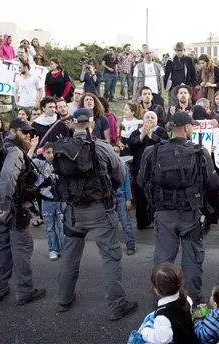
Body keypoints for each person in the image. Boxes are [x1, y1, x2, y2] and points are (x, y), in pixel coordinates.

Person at [55, 108, 138, 320]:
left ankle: (64, 299)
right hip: (100, 210)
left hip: (73, 211)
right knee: (110, 257)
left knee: (70, 256)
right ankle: (116, 305)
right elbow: (119, 174)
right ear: (92, 124)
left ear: (73, 124)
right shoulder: (101, 146)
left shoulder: (62, 148)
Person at [138, 112, 219, 303]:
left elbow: (141, 181)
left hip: (164, 213)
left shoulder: (152, 151)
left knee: (163, 260)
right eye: (192, 126)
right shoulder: (200, 151)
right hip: (191, 214)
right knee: (192, 260)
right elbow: (213, 182)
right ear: (186, 128)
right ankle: (195, 305)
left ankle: (162, 303)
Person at [0, 118, 46, 305]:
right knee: (21, 247)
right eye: (24, 132)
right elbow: (7, 177)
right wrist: (5, 205)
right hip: (12, 207)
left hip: (0, 205)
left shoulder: (3, 148)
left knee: (2, 246)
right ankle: (25, 291)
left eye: (29, 132)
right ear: (12, 132)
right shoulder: (13, 151)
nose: (28, 135)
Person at [127, 262, 199, 344]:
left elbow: (162, 339)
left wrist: (145, 332)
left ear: (157, 290)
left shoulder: (163, 316)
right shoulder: (187, 299)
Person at [127, 111, 168, 230]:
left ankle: (157, 220)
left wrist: (151, 135)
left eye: (152, 117)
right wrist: (141, 136)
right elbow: (130, 146)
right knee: (140, 194)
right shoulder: (136, 132)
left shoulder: (160, 131)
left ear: (156, 120)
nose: (150, 119)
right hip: (140, 168)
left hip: (156, 168)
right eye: (147, 117)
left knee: (156, 195)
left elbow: (165, 144)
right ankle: (142, 221)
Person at [30, 142, 64, 261]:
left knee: (62, 226)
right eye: (48, 152)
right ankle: (53, 249)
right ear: (43, 153)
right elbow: (27, 161)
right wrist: (32, 147)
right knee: (49, 227)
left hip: (61, 200)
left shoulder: (62, 165)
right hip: (46, 201)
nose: (51, 155)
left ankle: (64, 250)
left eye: (53, 152)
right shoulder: (40, 164)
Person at [112, 145, 136, 256]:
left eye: (117, 151)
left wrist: (129, 199)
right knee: (111, 224)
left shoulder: (124, 166)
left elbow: (127, 184)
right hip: (111, 198)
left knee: (126, 223)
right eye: (113, 151)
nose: (115, 153)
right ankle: (112, 247)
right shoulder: (107, 166)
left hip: (121, 197)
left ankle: (131, 246)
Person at [164, 42, 197, 106]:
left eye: (181, 50)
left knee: (187, 106)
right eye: (178, 50)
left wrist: (190, 86)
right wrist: (166, 87)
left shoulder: (188, 60)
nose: (179, 52)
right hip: (173, 87)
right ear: (175, 51)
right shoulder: (170, 61)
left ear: (184, 50)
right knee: (173, 106)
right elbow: (167, 75)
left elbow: (193, 74)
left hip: (186, 87)